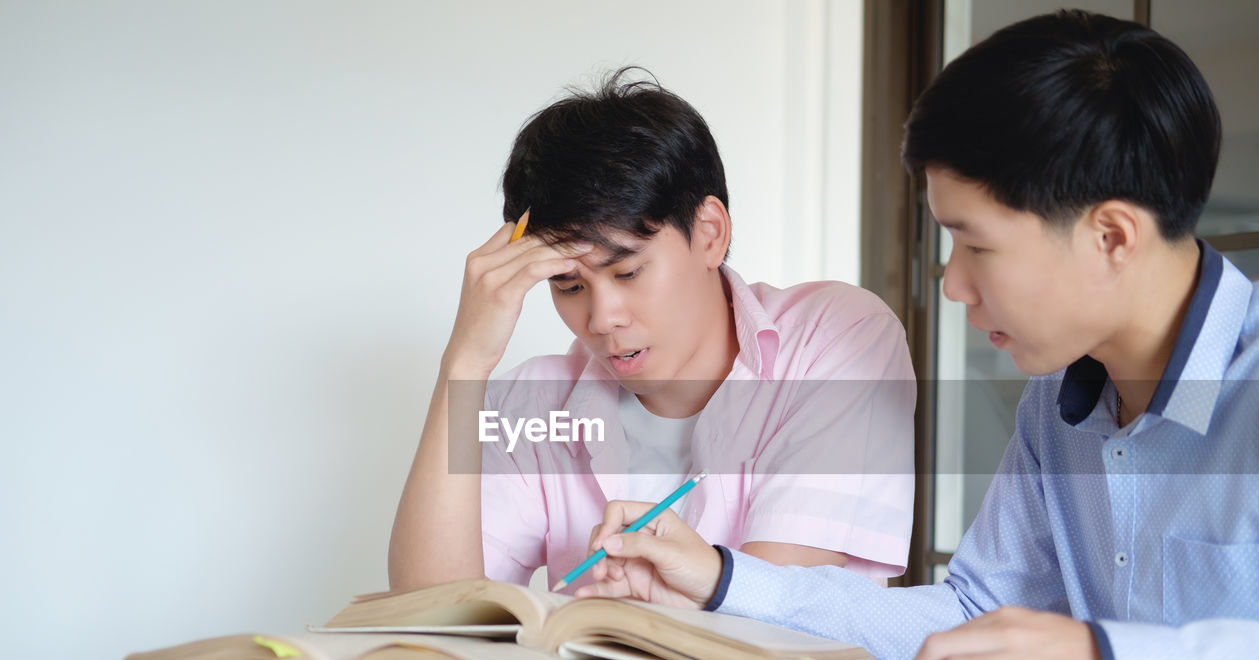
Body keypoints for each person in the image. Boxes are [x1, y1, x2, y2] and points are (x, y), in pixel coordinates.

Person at [573, 13, 1259, 660]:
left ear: (1112, 237)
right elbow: (971, 611)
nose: (952, 285)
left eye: (975, 245)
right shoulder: (1059, 403)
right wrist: (722, 578)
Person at [388, 69, 916, 592]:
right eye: (567, 286)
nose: (601, 318)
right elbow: (431, 616)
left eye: (628, 272)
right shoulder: (535, 405)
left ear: (709, 233)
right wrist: (465, 364)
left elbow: (778, 612)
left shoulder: (836, 338)